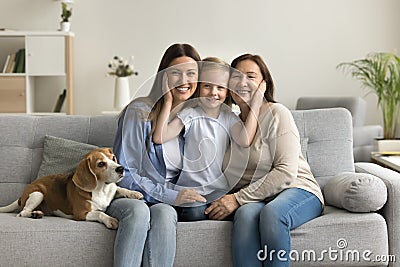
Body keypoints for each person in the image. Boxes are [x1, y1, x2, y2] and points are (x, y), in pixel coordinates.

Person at [205, 54, 324, 267]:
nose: (242, 83)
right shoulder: (231, 124)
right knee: (244, 215)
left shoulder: (277, 113)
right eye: (236, 77)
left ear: (263, 84)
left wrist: (237, 198)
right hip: (258, 197)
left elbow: (286, 172)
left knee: (272, 214)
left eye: (250, 76)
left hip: (298, 189)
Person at [109, 43, 206, 267]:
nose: (184, 80)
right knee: (140, 211)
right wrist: (170, 195)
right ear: (163, 76)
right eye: (175, 73)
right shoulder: (139, 112)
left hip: (164, 201)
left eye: (191, 73)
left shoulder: (193, 118)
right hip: (129, 194)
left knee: (163, 214)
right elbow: (124, 173)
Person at [153, 57, 265, 221]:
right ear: (198, 88)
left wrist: (255, 103)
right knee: (195, 212)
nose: (213, 92)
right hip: (192, 191)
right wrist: (168, 100)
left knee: (233, 213)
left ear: (227, 91)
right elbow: (159, 137)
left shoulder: (228, 117)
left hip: (219, 191)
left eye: (220, 87)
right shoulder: (191, 114)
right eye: (207, 86)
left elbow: (245, 139)